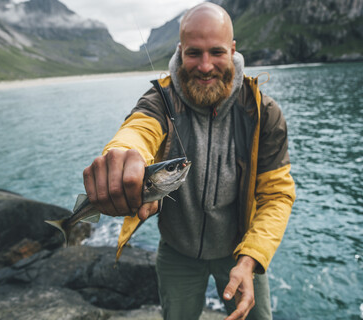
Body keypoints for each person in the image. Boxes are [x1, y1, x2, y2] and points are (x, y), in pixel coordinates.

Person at [83, 3, 296, 320]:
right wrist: (123, 156)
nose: (206, 66)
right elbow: (138, 131)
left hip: (240, 252)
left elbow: (277, 194)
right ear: (180, 50)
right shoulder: (159, 100)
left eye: (217, 52)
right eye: (194, 53)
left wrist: (251, 259)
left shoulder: (263, 112)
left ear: (233, 50)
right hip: (176, 253)